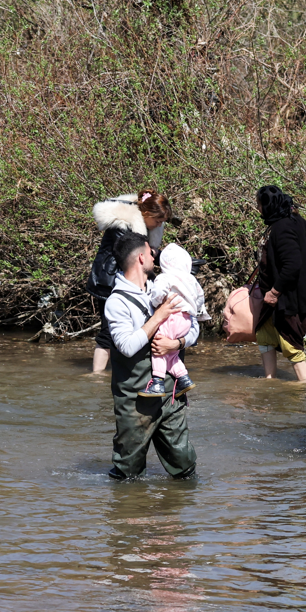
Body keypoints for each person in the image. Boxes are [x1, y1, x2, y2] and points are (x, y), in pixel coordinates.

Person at [104, 231, 199, 480]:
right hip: (134, 399)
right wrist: (158, 317)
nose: (155, 256)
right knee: (128, 474)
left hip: (170, 393)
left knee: (185, 465)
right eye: (151, 251)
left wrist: (176, 343)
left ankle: (182, 515)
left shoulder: (164, 285)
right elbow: (126, 346)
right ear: (141, 257)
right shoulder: (116, 302)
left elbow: (195, 329)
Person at [88, 190, 173, 373]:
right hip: (108, 281)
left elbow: (147, 254)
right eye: (158, 221)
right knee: (106, 332)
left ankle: (120, 369)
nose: (159, 225)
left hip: (130, 280)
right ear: (147, 215)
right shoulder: (123, 224)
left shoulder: (145, 226)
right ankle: (97, 375)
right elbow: (134, 253)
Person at [254, 186, 306, 383]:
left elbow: (292, 264)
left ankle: (304, 385)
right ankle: (269, 381)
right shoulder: (293, 222)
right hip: (275, 299)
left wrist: (274, 291)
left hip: (286, 297)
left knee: (291, 342)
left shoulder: (282, 227)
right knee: (265, 335)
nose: (258, 209)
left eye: (260, 205)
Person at [143, 243, 205, 397]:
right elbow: (200, 297)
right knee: (172, 354)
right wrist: (194, 310)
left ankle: (157, 382)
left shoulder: (165, 277)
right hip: (186, 320)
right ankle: (183, 378)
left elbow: (159, 291)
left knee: (158, 348)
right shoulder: (191, 279)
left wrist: (156, 303)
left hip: (171, 317)